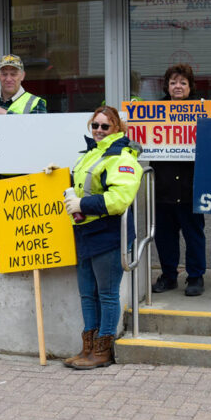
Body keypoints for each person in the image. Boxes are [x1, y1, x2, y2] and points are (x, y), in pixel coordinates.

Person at [60, 106, 143, 369]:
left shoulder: (122, 157)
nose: (98, 130)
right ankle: (88, 349)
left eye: (104, 126)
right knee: (87, 294)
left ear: (116, 128)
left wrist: (83, 205)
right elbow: (83, 185)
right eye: (94, 125)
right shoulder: (94, 153)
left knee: (106, 294)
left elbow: (120, 198)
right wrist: (59, 178)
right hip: (85, 232)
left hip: (108, 235)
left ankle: (102, 351)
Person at [0, 54, 47, 242]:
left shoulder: (35, 102)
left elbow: (40, 135)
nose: (9, 78)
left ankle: (17, 270)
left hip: (21, 179)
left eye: (13, 74)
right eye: (4, 73)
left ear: (22, 75)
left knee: (21, 231)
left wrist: (5, 114)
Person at [150, 64, 207, 296]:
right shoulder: (153, 112)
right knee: (164, 236)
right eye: (173, 82)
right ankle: (168, 275)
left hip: (190, 185)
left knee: (194, 234)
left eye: (183, 82)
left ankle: (195, 277)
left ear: (190, 86)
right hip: (163, 185)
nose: (178, 86)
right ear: (167, 86)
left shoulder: (201, 111)